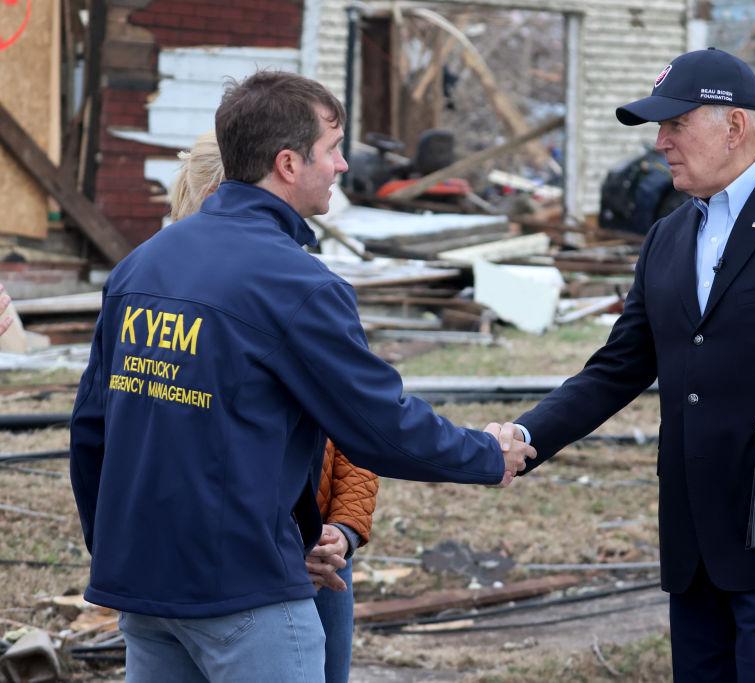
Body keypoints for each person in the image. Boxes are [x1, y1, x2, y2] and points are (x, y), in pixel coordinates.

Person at [69, 70, 534, 683]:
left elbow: (91, 431)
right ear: (288, 163)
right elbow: (379, 426)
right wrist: (485, 455)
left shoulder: (142, 266)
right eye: (332, 149)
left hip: (145, 594)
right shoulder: (297, 286)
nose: (343, 166)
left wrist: (116, 555)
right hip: (243, 595)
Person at [495, 48, 755, 681]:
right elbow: (617, 368)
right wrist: (526, 436)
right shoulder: (667, 236)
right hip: (693, 542)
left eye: (674, 125)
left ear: (733, 126)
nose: (660, 144)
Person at [170, 132, 377, 683]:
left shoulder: (300, 289)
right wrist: (284, 551)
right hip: (256, 568)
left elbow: (359, 431)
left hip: (322, 557)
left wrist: (344, 531)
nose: (340, 165)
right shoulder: (176, 292)